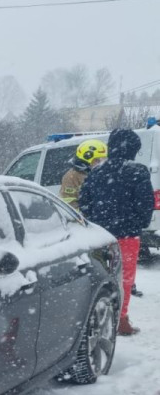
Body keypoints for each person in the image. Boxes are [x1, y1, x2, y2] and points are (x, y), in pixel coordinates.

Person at [78, 128, 154, 335]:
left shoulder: (96, 173)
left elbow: (84, 202)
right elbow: (146, 204)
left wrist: (96, 221)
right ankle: (121, 320)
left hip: (100, 237)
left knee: (101, 278)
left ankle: (98, 318)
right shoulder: (138, 172)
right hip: (127, 236)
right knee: (125, 280)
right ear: (133, 149)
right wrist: (137, 222)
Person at [59, 138, 107, 210]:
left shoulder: (101, 174)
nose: (102, 163)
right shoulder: (71, 177)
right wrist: (85, 215)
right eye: (98, 160)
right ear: (87, 158)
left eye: (104, 159)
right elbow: (69, 204)